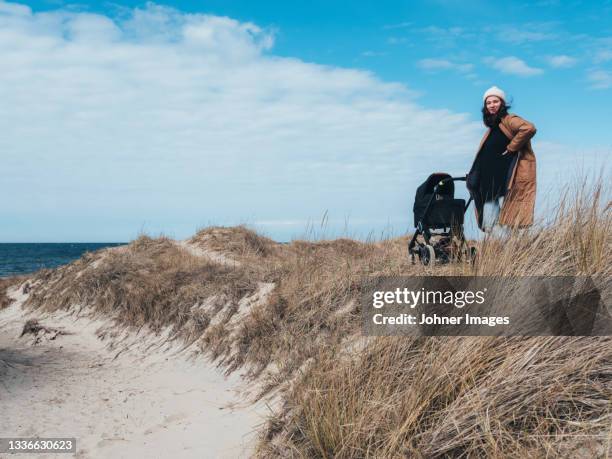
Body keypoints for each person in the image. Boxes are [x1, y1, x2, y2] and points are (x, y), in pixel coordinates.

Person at [467, 86, 537, 235]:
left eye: (495, 101)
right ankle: (508, 253)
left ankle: (507, 254)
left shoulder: (508, 119)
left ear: (502, 103)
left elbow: (529, 128)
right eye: (488, 102)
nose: (492, 105)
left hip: (502, 180)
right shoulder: (493, 126)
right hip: (489, 181)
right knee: (494, 223)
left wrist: (512, 147)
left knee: (500, 224)